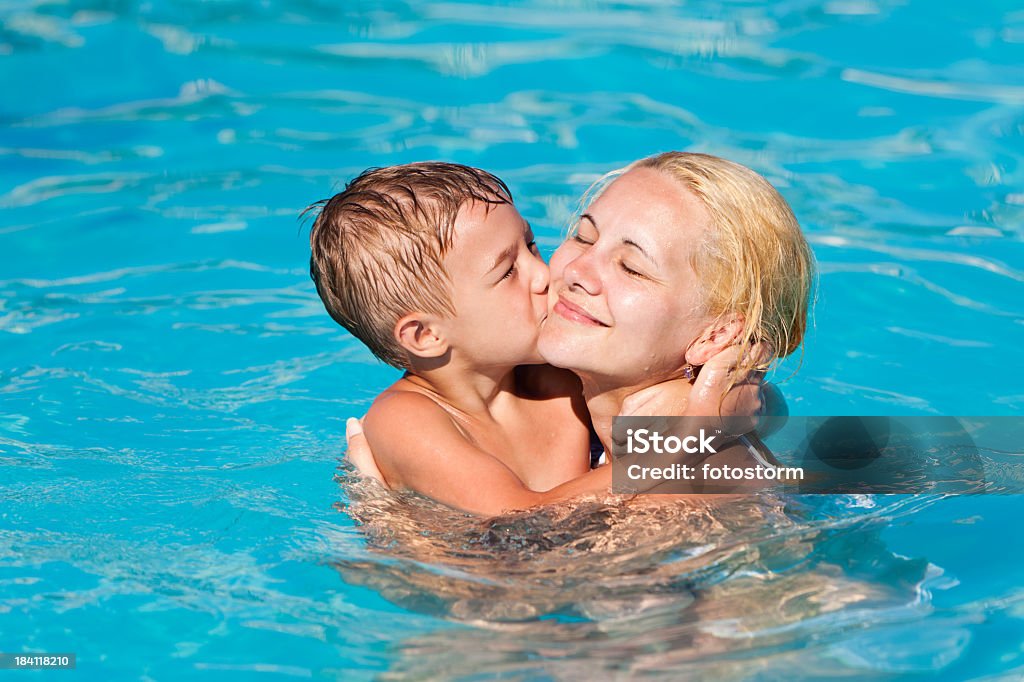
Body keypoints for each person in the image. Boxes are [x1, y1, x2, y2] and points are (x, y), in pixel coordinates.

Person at [345, 152, 814, 503]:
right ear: (426, 334)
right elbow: (524, 522)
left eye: (632, 267)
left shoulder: (687, 458)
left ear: (714, 336)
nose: (560, 272)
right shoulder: (557, 379)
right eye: (582, 236)